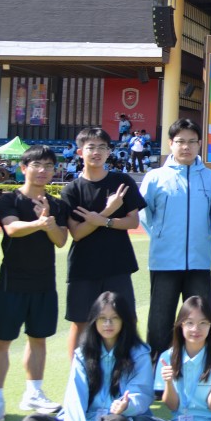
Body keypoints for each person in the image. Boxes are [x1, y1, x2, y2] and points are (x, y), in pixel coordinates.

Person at [21, 291, 153, 421]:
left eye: (114, 318)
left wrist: (127, 405)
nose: (108, 324)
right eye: (102, 318)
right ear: (94, 321)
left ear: (124, 321)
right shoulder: (82, 354)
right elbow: (74, 398)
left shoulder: (139, 353)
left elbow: (142, 394)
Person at [0, 145, 69, 421]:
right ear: (23, 168)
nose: (43, 170)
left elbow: (60, 240)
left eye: (48, 166)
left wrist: (50, 224)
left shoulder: (57, 204)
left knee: (38, 339)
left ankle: (33, 393)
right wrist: (40, 223)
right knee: (2, 341)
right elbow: (11, 229)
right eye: (36, 165)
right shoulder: (9, 199)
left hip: (44, 282)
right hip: (12, 282)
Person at [59, 127, 146, 362]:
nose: (96, 152)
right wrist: (107, 212)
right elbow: (77, 233)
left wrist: (103, 221)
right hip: (83, 266)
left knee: (125, 319)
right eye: (91, 147)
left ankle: (126, 370)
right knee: (80, 322)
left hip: (118, 263)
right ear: (80, 152)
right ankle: (77, 375)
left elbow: (132, 221)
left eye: (102, 147)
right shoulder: (71, 190)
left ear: (109, 152)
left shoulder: (122, 182)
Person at [139, 119, 211, 368]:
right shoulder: (155, 177)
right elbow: (144, 214)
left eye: (192, 142)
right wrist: (161, 235)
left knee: (200, 319)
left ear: (200, 144)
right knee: (160, 320)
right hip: (164, 261)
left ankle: (201, 370)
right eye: (180, 141)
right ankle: (157, 371)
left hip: (199, 261)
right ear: (170, 143)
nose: (186, 147)